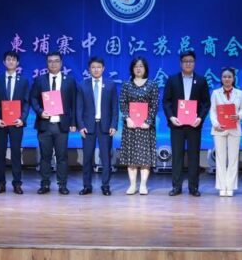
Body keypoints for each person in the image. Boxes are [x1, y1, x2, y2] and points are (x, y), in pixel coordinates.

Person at [162, 50, 210, 197]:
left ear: (194, 63)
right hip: (177, 124)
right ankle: (176, 187)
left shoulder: (201, 80)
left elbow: (206, 103)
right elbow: (166, 102)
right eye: (185, 61)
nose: (188, 64)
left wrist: (200, 118)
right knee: (177, 156)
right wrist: (171, 117)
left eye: (191, 61)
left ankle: (193, 187)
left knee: (194, 156)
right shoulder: (172, 80)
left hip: (194, 125)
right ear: (180, 63)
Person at [30, 51, 77, 195]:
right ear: (46, 63)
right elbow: (33, 99)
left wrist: (73, 122)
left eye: (56, 61)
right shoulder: (40, 80)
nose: (53, 64)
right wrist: (40, 111)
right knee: (45, 157)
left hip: (62, 125)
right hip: (45, 124)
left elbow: (74, 103)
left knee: (62, 157)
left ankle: (62, 185)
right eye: (50, 61)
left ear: (61, 63)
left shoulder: (69, 81)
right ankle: (45, 184)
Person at [76, 56, 118, 196]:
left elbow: (114, 107)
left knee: (106, 158)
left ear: (103, 68)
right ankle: (87, 186)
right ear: (89, 69)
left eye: (99, 67)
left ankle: (105, 186)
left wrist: (114, 125)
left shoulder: (110, 85)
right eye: (93, 67)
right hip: (88, 127)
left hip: (105, 126)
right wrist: (80, 126)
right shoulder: (82, 85)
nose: (96, 70)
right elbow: (79, 108)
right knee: (87, 158)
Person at [117, 56, 159, 195]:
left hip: (146, 127)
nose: (138, 69)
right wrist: (127, 118)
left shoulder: (152, 84)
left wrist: (148, 121)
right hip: (131, 126)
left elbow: (154, 104)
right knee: (131, 157)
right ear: (132, 69)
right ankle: (132, 185)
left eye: (141, 66)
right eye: (136, 66)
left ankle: (143, 185)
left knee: (145, 157)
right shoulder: (126, 85)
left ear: (145, 68)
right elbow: (122, 103)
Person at [0, 50, 30, 194]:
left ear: (17, 63)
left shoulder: (24, 81)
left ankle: (17, 184)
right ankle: (0, 183)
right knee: (0, 153)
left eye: (13, 59)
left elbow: (26, 103)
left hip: (16, 123)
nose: (11, 62)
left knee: (15, 153)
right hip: (1, 123)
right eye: (8, 59)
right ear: (4, 62)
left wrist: (22, 119)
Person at [209, 67, 242, 197]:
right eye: (224, 77)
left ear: (234, 78)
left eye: (229, 76)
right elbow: (212, 111)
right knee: (220, 159)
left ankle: (230, 187)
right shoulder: (215, 93)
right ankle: (221, 187)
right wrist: (216, 124)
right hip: (220, 129)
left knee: (233, 159)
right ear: (221, 78)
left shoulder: (239, 93)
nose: (227, 79)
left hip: (234, 128)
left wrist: (239, 116)